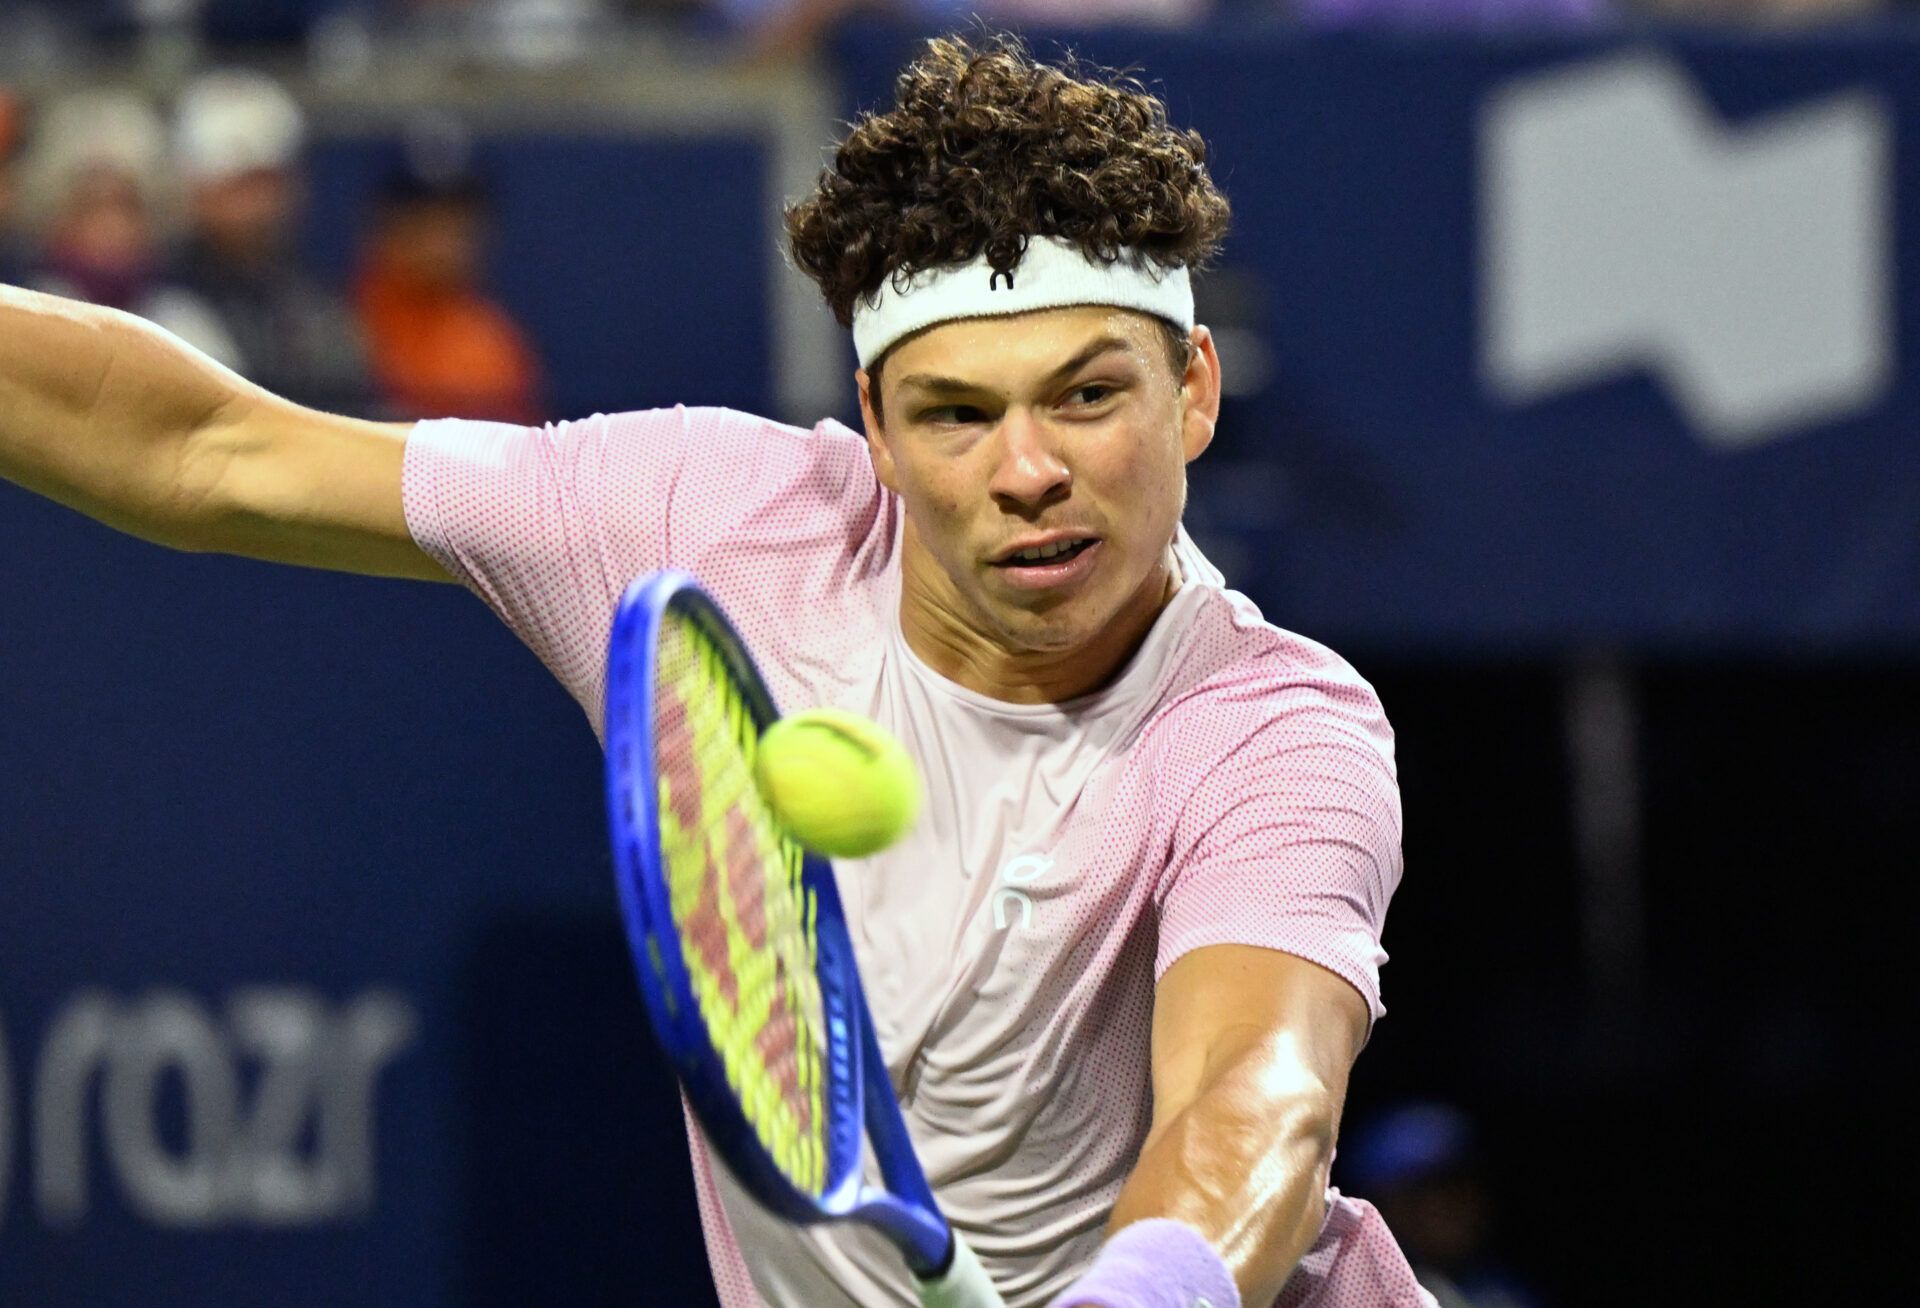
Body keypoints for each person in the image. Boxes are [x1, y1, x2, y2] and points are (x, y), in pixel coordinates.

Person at [0, 34, 1427, 1308]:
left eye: (1089, 393)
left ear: (1193, 391)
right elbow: (209, 451)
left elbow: (1258, 1102)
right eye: (956, 415)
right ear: (871, 419)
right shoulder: (719, 528)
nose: (1029, 472)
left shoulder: (1277, 734)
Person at [172, 68, 375, 415]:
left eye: (266, 182)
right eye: (238, 184)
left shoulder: (317, 309)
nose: (255, 204)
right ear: (195, 187)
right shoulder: (155, 302)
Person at [353, 157, 544, 424]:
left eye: (455, 222)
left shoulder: (494, 348)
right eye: (421, 220)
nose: (440, 242)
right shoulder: (339, 326)